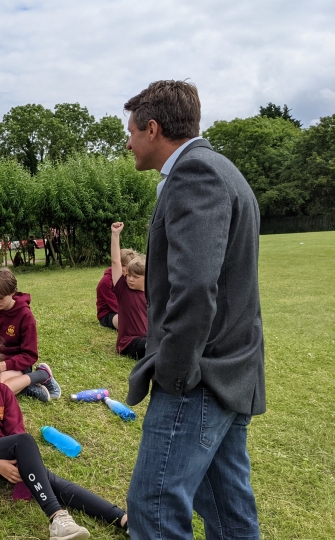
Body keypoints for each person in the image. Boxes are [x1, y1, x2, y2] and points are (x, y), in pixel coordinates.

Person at [123, 80, 265, 539]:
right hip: (230, 371)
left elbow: (196, 286)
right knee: (226, 509)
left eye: (131, 131)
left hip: (201, 376)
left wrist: (176, 373)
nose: (128, 142)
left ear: (153, 128)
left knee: (153, 506)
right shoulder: (223, 168)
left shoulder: (195, 174)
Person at [0, 330, 129, 540]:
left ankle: (123, 519)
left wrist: (16, 463)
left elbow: (15, 429)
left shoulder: (3, 392)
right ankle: (56, 515)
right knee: (25, 445)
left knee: (52, 480)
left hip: (8, 454)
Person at [0, 268, 61, 402]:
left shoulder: (25, 315)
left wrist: (3, 366)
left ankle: (40, 375)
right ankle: (27, 386)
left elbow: (30, 355)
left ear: (12, 292)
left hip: (18, 364)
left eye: (0, 298)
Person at [109, 223, 147, 360]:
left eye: (135, 277)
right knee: (152, 347)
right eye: (129, 275)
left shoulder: (152, 294)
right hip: (129, 343)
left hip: (150, 338)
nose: (130, 279)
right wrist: (115, 234)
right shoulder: (123, 290)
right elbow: (115, 262)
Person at [96, 248, 137, 330]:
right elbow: (116, 307)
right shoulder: (106, 282)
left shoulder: (129, 278)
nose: (122, 268)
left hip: (127, 310)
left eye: (125, 265)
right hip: (109, 314)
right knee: (127, 322)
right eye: (120, 265)